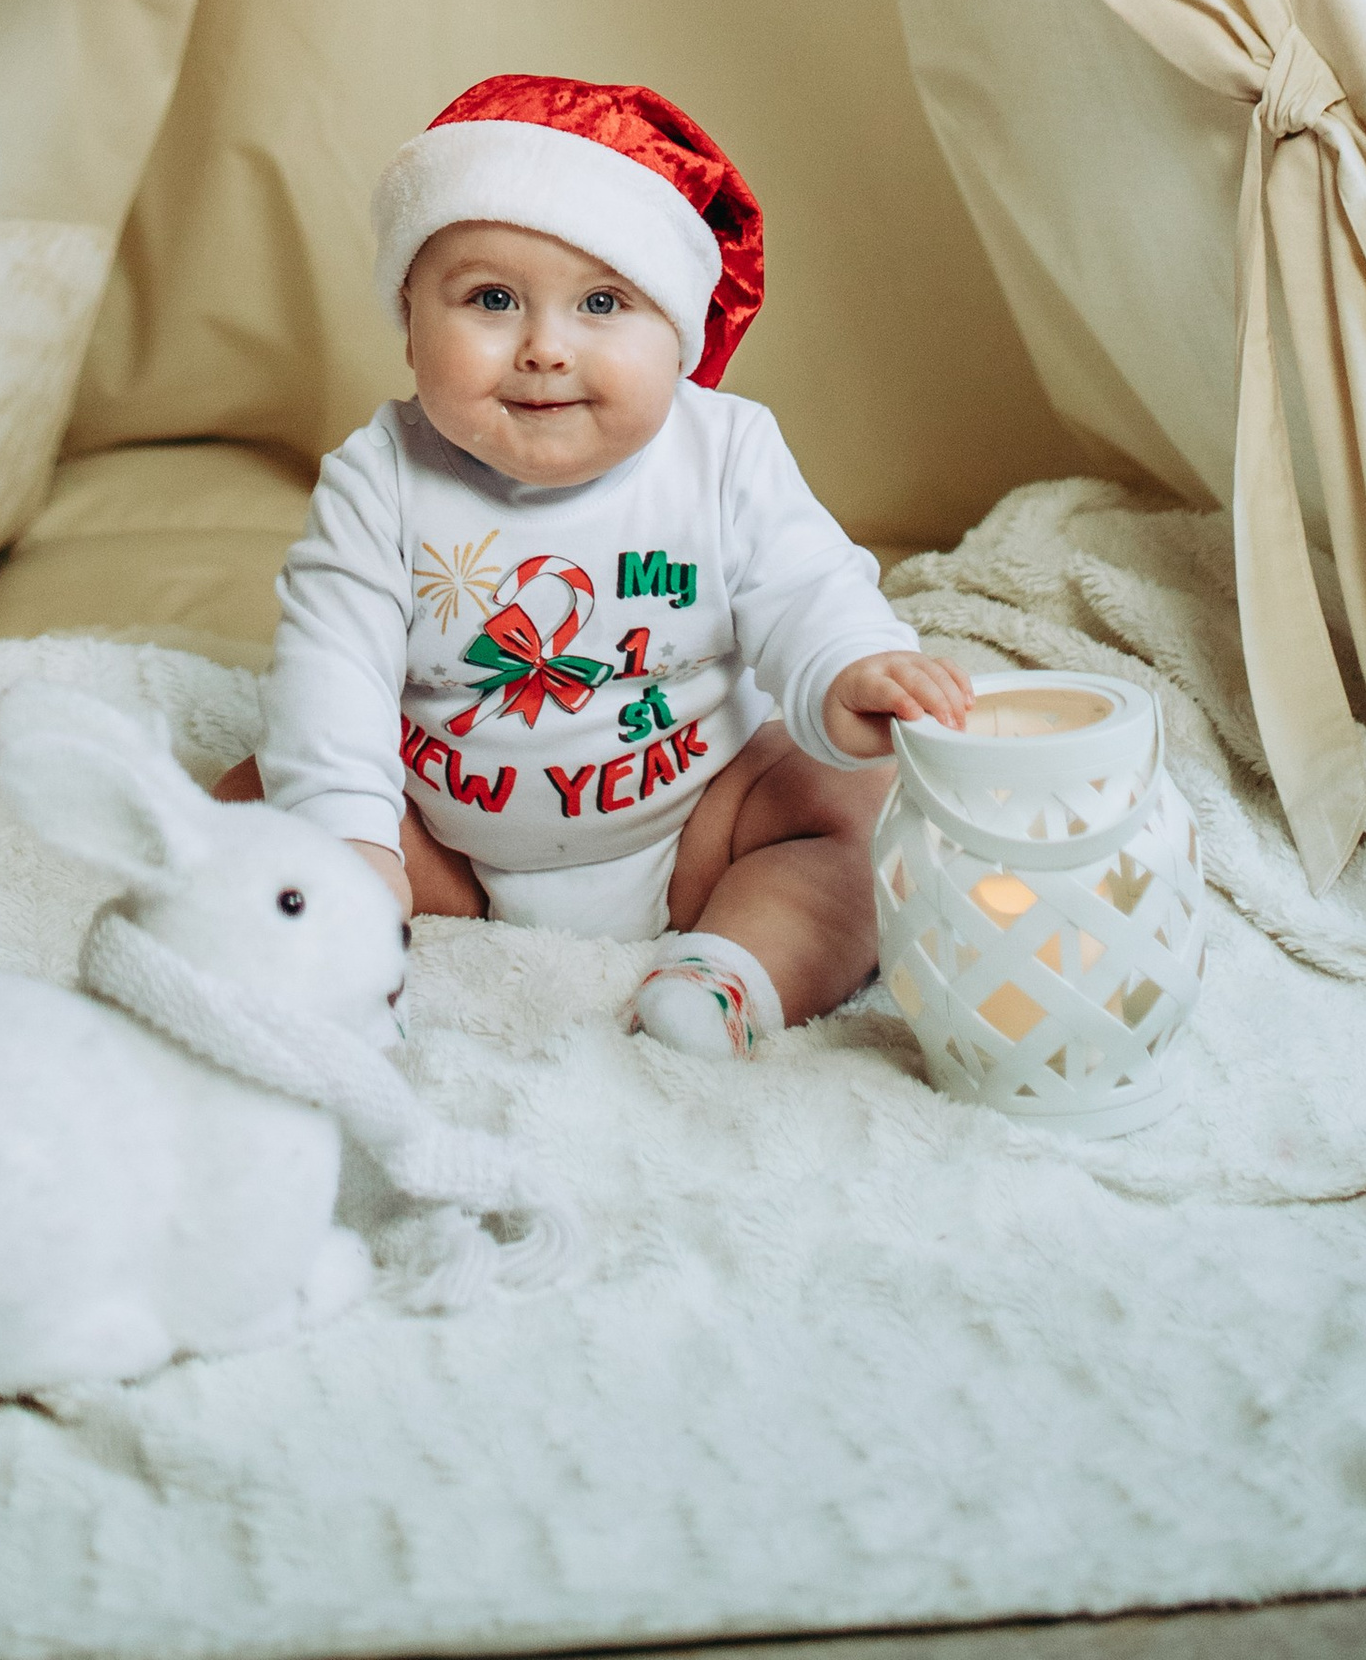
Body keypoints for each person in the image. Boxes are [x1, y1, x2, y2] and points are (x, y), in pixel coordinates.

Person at [220, 74, 970, 1062]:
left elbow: (807, 589)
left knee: (864, 810)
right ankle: (350, 970)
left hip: (702, 822)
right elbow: (334, 674)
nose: (544, 348)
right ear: (408, 318)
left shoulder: (725, 451)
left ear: (679, 333)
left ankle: (729, 978)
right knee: (252, 798)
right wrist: (353, 849)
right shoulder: (381, 479)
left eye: (603, 302)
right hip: (449, 847)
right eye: (492, 300)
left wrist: (848, 670)